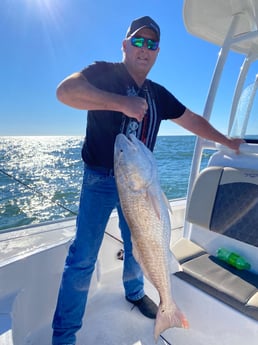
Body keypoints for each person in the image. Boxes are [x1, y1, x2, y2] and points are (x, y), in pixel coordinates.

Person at [52, 16, 244, 345]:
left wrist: (228, 143)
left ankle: (136, 293)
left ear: (157, 53)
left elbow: (192, 120)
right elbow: (65, 92)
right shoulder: (103, 73)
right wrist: (120, 103)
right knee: (82, 257)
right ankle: (64, 337)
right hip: (99, 179)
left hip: (139, 185)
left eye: (151, 44)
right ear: (125, 45)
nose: (144, 49)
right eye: (138, 41)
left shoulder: (158, 94)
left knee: (139, 244)